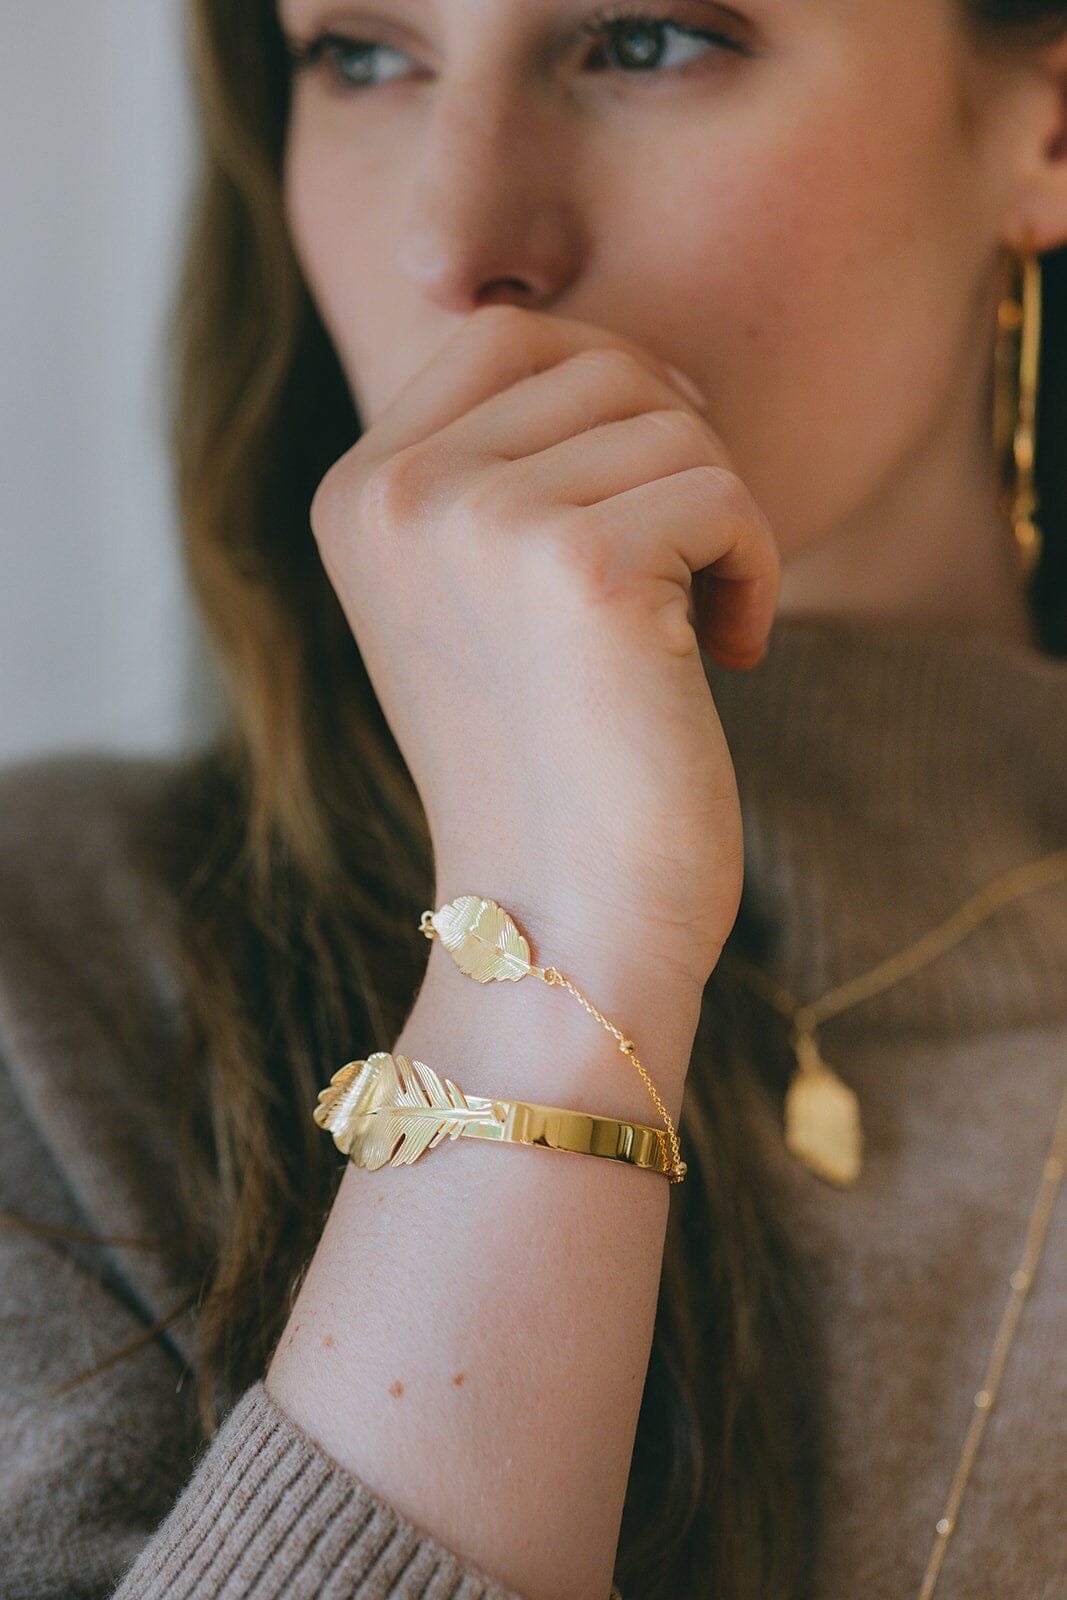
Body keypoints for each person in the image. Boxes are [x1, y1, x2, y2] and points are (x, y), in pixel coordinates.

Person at [1, 0, 1065, 1596]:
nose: (459, 239)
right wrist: (556, 936)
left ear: (1044, 124)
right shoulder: (51, 986)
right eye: (360, 57)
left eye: (646, 42)